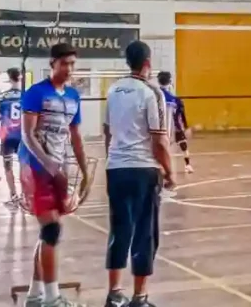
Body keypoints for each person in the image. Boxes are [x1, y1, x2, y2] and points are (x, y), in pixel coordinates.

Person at [104, 42, 174, 307]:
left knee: (119, 229)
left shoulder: (112, 90)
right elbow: (159, 141)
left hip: (116, 168)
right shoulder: (151, 92)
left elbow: (107, 132)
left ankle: (114, 295)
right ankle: (139, 297)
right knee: (145, 232)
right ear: (147, 62)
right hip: (143, 169)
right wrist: (169, 171)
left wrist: (113, 159)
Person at [19, 43, 89, 307]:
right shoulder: (36, 93)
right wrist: (50, 167)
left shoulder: (73, 96)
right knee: (51, 229)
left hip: (59, 168)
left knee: (49, 233)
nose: (69, 69)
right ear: (52, 64)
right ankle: (52, 298)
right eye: (64, 63)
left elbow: (76, 136)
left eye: (72, 63)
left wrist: (83, 172)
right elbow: (27, 135)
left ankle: (35, 295)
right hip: (35, 168)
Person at [157, 71, 193, 173]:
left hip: (159, 129)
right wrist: (186, 127)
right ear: (169, 82)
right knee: (183, 145)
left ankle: (160, 166)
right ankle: (187, 165)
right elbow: (181, 115)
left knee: (160, 147)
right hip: (174, 127)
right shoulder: (175, 100)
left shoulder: (153, 98)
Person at [0, 67, 23, 207]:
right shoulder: (25, 96)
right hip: (22, 135)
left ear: (9, 78)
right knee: (23, 165)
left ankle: (13, 195)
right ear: (19, 77)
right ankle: (24, 195)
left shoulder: (2, 96)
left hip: (7, 135)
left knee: (8, 166)